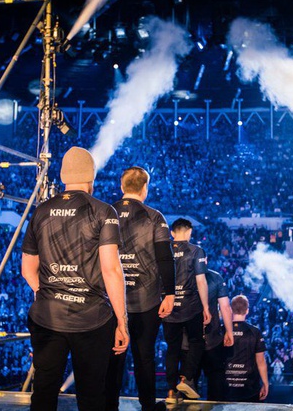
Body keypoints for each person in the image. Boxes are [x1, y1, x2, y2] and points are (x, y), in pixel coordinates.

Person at [21, 147, 129, 411]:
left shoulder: (41, 211)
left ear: (63, 175)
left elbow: (27, 269)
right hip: (91, 320)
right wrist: (122, 321)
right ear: (91, 177)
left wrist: (46, 290)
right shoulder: (103, 212)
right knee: (91, 397)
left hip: (47, 316)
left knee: (43, 393)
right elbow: (111, 270)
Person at [105, 167, 176, 411]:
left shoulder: (105, 213)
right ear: (145, 188)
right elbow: (166, 258)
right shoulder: (155, 217)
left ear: (122, 186)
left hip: (112, 301)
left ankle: (109, 405)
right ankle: (147, 405)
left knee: (115, 355)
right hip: (146, 300)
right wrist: (170, 293)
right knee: (144, 355)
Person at [163, 218, 211, 402]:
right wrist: (206, 307)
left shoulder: (163, 250)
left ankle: (170, 391)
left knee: (172, 350)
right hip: (191, 307)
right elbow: (201, 280)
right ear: (189, 232)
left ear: (172, 233)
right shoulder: (196, 251)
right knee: (196, 342)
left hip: (168, 309)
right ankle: (186, 378)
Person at [224, 295, 268, 403]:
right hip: (249, 389)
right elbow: (260, 361)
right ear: (247, 311)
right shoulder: (255, 332)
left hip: (226, 388)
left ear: (230, 309)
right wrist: (266, 383)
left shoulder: (222, 331)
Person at [200, 267, 234, 400]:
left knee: (189, 384)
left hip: (188, 340)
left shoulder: (181, 273)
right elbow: (225, 307)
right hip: (212, 339)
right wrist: (229, 332)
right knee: (216, 382)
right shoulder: (216, 277)